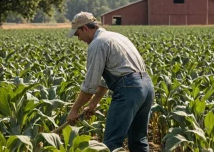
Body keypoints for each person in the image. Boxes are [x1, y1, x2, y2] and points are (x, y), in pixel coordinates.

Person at [66, 12, 155, 152]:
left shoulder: (97, 44)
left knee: (111, 144)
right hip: (147, 87)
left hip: (129, 89)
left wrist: (74, 109)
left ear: (85, 28)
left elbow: (90, 85)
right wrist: (94, 103)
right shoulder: (117, 37)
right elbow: (106, 79)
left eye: (78, 34)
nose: (79, 39)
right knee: (139, 141)